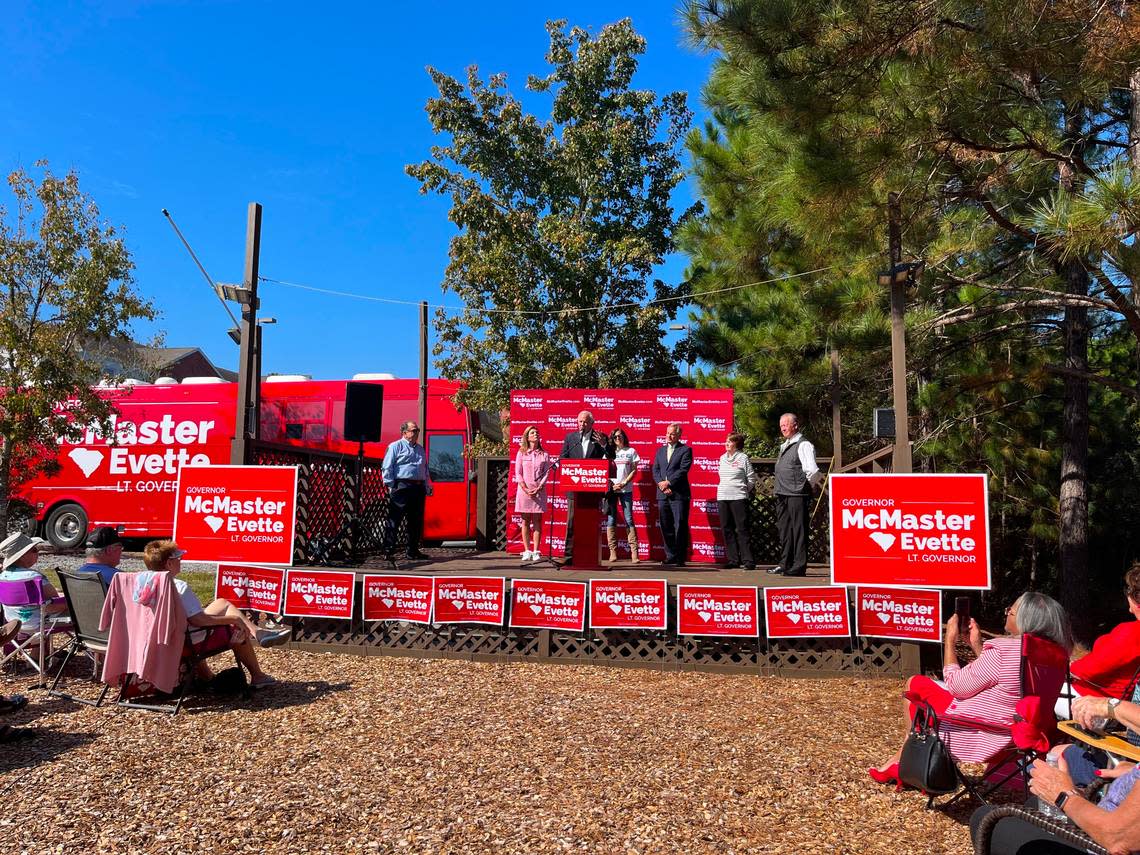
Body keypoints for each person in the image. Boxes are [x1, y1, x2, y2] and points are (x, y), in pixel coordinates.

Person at [868, 592, 1073, 785]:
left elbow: (956, 686)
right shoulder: (1057, 655)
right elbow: (1010, 682)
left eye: (1010, 610)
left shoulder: (1004, 648)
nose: (1006, 612)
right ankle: (903, 759)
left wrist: (950, 641)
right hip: (1022, 737)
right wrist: (978, 647)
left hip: (984, 733)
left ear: (1025, 620)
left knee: (916, 684)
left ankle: (909, 760)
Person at [141, 540, 288, 687]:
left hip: (154, 639)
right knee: (237, 631)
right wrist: (234, 619)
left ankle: (209, 676)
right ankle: (258, 675)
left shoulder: (140, 587)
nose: (181, 561)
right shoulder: (178, 587)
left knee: (222, 603)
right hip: (186, 642)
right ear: (169, 564)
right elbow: (199, 621)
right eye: (179, 558)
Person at [970, 753, 1140, 854]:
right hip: (1111, 822)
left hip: (1105, 842)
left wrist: (1064, 796)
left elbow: (1119, 840)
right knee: (1035, 804)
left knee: (984, 818)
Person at [768, 413, 819, 577]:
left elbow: (812, 470)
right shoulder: (786, 445)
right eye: (781, 424)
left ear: (795, 425)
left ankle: (799, 566)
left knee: (799, 530)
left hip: (797, 493)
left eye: (786, 424)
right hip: (783, 493)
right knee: (785, 530)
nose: (782, 427)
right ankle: (785, 563)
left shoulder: (804, 445)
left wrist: (806, 486)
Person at [556, 410, 609, 566]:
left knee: (591, 524)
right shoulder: (570, 438)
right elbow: (563, 458)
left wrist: (604, 445)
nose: (582, 424)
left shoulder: (600, 438)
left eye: (585, 422)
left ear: (592, 423)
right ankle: (568, 556)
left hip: (592, 490)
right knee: (572, 523)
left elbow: (610, 456)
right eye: (580, 421)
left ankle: (590, 556)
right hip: (574, 489)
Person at [381, 420, 434, 563]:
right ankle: (388, 550)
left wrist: (427, 486)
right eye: (414, 430)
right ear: (404, 433)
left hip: (418, 487)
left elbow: (425, 469)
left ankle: (412, 551)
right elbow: (387, 467)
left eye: (417, 430)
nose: (416, 433)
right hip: (402, 485)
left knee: (415, 521)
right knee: (395, 519)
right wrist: (392, 485)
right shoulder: (395, 446)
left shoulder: (420, 449)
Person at [0, 532, 69, 633]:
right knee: (74, 606)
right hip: (39, 625)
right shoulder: (34, 577)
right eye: (34, 550)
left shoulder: (2, 577)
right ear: (22, 556)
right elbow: (54, 603)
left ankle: (39, 648)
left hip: (13, 625)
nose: (38, 553)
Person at [652, 423, 693, 567]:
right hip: (663, 494)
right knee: (666, 525)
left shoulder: (686, 450)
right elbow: (655, 471)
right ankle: (670, 555)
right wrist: (662, 485)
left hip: (679, 494)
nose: (668, 436)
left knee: (680, 525)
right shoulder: (660, 451)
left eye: (672, 434)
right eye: (667, 433)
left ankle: (680, 557)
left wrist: (668, 483)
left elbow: (683, 470)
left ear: (679, 435)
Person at [717, 432, 758, 570]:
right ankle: (733, 560)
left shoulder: (743, 457)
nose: (726, 443)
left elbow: (751, 478)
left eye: (730, 441)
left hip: (739, 497)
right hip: (723, 497)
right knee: (726, 528)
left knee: (742, 529)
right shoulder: (722, 458)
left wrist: (744, 490)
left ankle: (748, 561)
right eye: (726, 441)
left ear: (737, 444)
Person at [513, 426, 553, 562]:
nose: (536, 434)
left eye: (537, 432)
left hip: (538, 491)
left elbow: (547, 472)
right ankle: (526, 550)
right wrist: (525, 488)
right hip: (524, 491)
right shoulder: (521, 453)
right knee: (525, 521)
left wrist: (540, 487)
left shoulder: (544, 454)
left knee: (537, 521)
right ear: (527, 437)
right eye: (532, 433)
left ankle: (536, 550)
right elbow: (518, 473)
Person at [605, 427, 641, 564]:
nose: (618, 438)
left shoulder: (631, 451)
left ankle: (634, 553)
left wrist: (624, 483)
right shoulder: (609, 452)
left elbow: (634, 470)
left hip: (626, 490)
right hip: (612, 490)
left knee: (629, 519)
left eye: (620, 436)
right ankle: (612, 552)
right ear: (612, 439)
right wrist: (611, 485)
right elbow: (604, 470)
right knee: (611, 519)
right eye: (615, 437)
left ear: (624, 437)